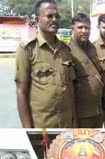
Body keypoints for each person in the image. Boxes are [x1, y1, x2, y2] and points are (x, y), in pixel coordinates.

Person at [15, 0, 76, 128]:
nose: (54, 19)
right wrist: (28, 131)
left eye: (57, 16)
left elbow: (70, 89)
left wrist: (74, 122)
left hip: (66, 126)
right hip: (42, 127)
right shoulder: (27, 49)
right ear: (37, 19)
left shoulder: (65, 50)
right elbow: (21, 92)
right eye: (49, 16)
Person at [69, 13, 104, 128]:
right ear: (72, 28)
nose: (84, 31)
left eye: (87, 27)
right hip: (82, 113)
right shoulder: (68, 50)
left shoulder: (92, 48)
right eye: (80, 27)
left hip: (97, 110)